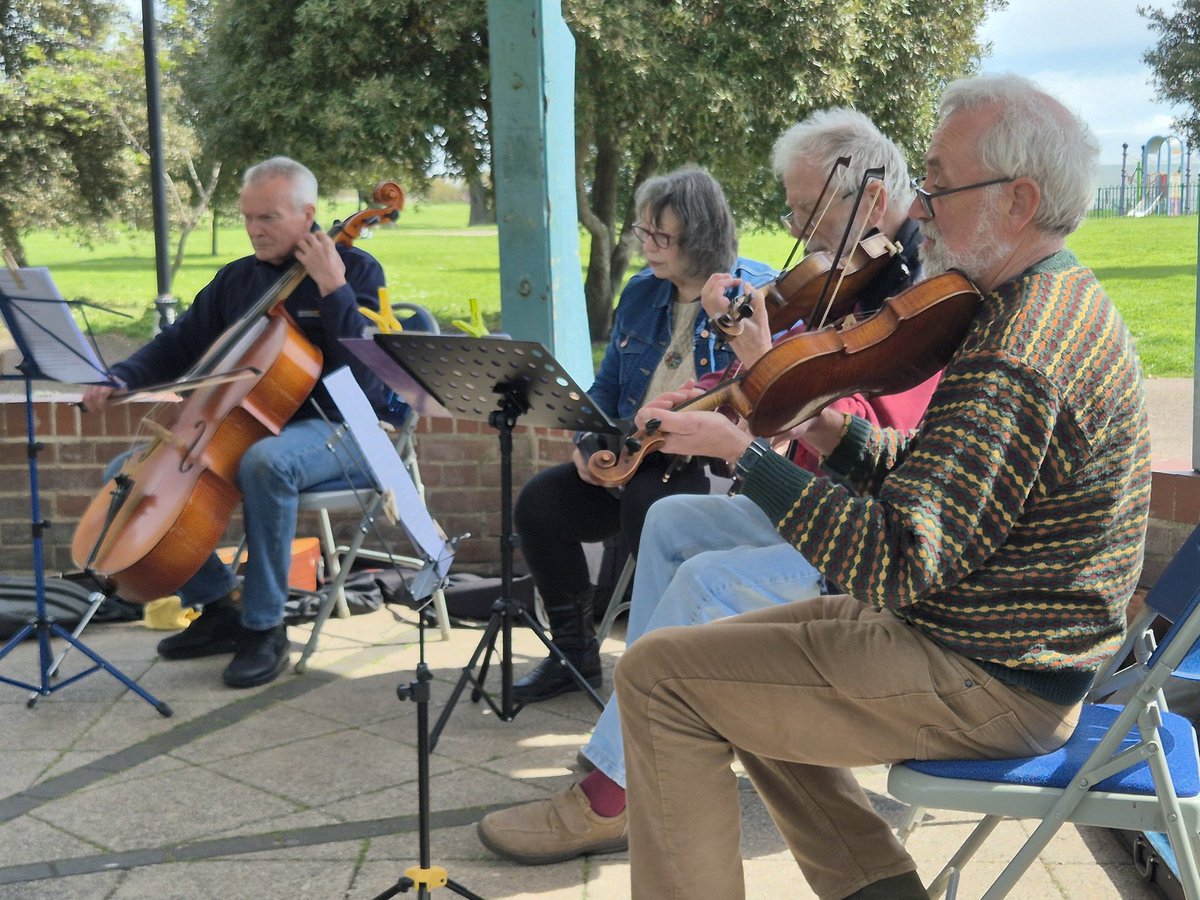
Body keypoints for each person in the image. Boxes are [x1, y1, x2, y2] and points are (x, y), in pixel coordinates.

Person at [613, 73, 1151, 900]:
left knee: (658, 682)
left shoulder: (1020, 349)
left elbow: (895, 560)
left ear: (1019, 201)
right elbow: (954, 492)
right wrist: (829, 431)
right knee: (727, 669)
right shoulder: (1043, 299)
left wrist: (745, 457)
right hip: (984, 641)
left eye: (938, 183)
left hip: (991, 675)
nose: (922, 205)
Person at [478, 109, 938, 864]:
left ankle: (609, 793)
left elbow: (867, 430)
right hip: (815, 511)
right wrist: (698, 397)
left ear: (872, 205)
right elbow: (779, 376)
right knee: (672, 524)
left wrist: (758, 382)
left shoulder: (912, 308)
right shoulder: (840, 292)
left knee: (702, 581)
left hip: (865, 542)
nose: (793, 225)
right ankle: (649, 747)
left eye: (805, 209)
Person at [80, 156, 390, 690]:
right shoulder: (239, 279)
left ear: (308, 213)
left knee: (265, 463)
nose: (254, 229)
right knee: (127, 471)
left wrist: (334, 292)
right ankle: (218, 605)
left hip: (349, 426)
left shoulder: (356, 271)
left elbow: (363, 378)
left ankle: (265, 626)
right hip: (255, 425)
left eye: (267, 217)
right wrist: (121, 377)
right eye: (247, 217)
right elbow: (180, 342)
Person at [509, 166, 775, 704]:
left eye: (662, 236)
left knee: (650, 509)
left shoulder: (748, 294)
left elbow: (757, 396)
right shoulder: (639, 293)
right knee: (540, 504)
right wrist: (588, 444)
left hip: (701, 463)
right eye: (643, 232)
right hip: (635, 454)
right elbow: (605, 388)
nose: (647, 246)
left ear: (699, 237)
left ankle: (657, 674)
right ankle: (574, 654)